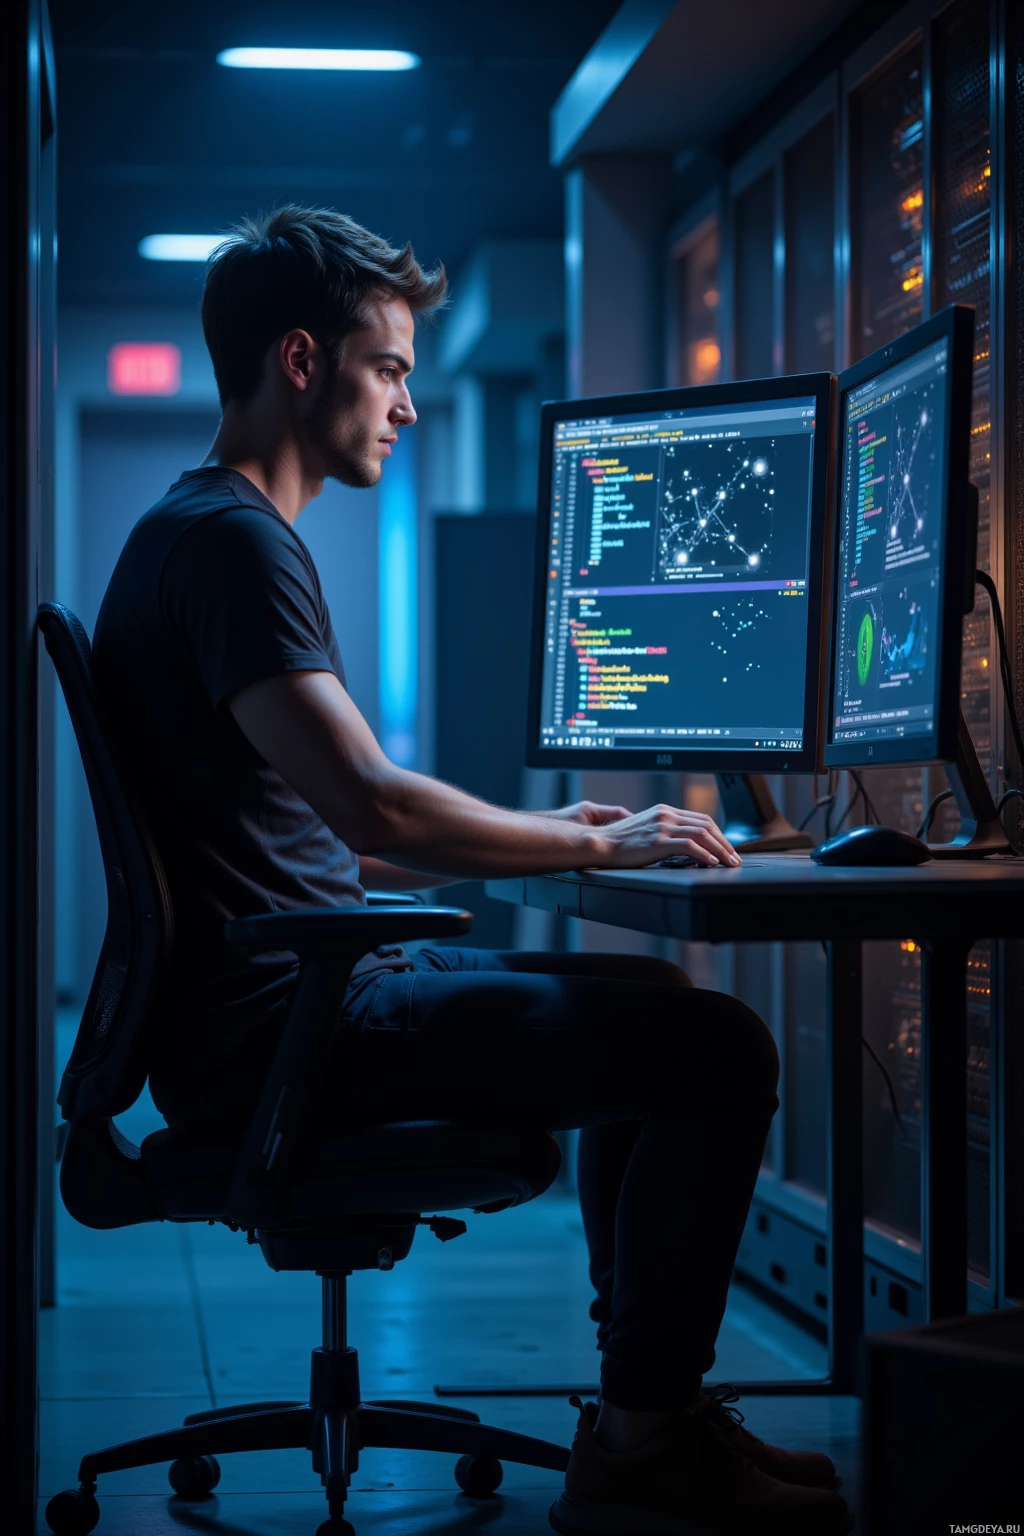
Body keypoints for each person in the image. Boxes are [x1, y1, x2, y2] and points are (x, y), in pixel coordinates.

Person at [92, 205, 854, 1535]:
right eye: (389, 369)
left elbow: (336, 816)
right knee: (717, 1053)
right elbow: (376, 808)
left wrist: (561, 829)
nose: (407, 406)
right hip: (284, 1033)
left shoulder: (205, 531)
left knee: (660, 1015)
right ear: (302, 361)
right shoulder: (230, 544)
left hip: (283, 1006)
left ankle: (648, 1412)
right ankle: (643, 1446)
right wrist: (591, 840)